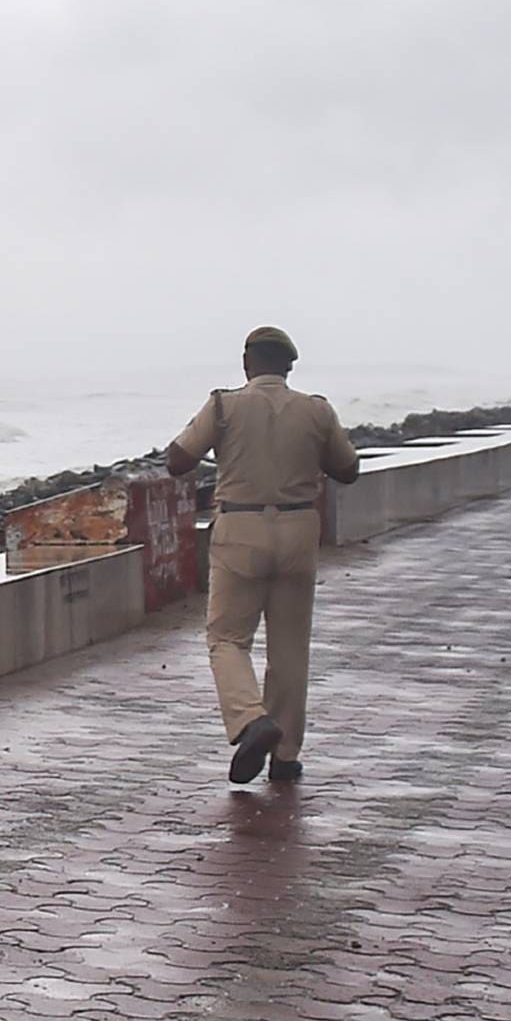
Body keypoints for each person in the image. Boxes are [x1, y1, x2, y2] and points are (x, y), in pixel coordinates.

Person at [164, 324, 360, 791]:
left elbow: (177, 460)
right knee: (290, 649)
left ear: (247, 363)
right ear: (289, 366)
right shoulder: (316, 410)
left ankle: (251, 720)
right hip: (297, 531)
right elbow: (348, 469)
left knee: (227, 638)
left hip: (241, 529)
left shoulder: (224, 406)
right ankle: (286, 757)